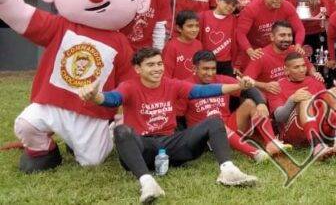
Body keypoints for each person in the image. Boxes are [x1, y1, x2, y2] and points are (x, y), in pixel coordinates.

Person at [2, 0, 148, 173]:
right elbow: (26, 17)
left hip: (92, 111)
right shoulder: (60, 25)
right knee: (26, 124)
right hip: (53, 101)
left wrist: (128, 113)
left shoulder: (120, 42)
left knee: (93, 161)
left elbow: (130, 81)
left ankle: (111, 130)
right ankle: (44, 150)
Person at [77, 48, 257, 203]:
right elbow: (112, 99)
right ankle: (148, 183)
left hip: (171, 146)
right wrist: (95, 96)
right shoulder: (129, 86)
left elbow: (201, 91)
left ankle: (228, 171)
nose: (157, 68)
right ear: (138, 69)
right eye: (151, 65)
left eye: (159, 64)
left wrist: (237, 86)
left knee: (214, 120)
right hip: (143, 148)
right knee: (121, 131)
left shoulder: (172, 84)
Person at [186, 50, 283, 160]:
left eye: (213, 68)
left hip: (228, 126)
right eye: (205, 69)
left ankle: (272, 143)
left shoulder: (221, 79)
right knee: (217, 123)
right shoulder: (185, 87)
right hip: (205, 136)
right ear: (194, 68)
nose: (210, 73)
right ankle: (255, 154)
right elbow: (177, 117)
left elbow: (248, 88)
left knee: (251, 103)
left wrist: (261, 103)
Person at [271, 52, 336, 156]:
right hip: (293, 134)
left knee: (330, 96)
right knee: (305, 99)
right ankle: (317, 146)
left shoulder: (314, 81)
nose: (302, 70)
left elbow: (326, 105)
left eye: (303, 66)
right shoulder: (277, 86)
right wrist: (292, 99)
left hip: (319, 128)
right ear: (286, 71)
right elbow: (279, 118)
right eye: (296, 67)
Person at [236, 0, 305, 63]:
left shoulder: (288, 7)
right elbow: (240, 33)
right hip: (256, 50)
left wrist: (298, 45)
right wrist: (250, 51)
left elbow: (299, 29)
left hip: (277, 49)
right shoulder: (252, 8)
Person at [244, 20, 321, 92]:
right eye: (282, 35)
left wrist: (315, 74)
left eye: (289, 35)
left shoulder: (295, 51)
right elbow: (245, 80)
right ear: (272, 37)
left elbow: (310, 67)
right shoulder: (261, 55)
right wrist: (265, 86)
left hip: (296, 93)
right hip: (272, 98)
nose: (287, 39)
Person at [198, 0, 239, 76]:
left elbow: (236, 43)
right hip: (206, 62)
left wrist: (235, 64)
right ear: (217, 1)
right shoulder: (203, 16)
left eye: (234, 5)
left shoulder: (234, 20)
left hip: (226, 63)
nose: (230, 7)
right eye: (227, 3)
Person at [163, 10, 203, 80]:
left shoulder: (198, 44)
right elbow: (166, 75)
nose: (194, 29)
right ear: (179, 28)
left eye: (197, 26)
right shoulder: (171, 47)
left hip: (195, 88)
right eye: (190, 26)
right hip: (177, 88)